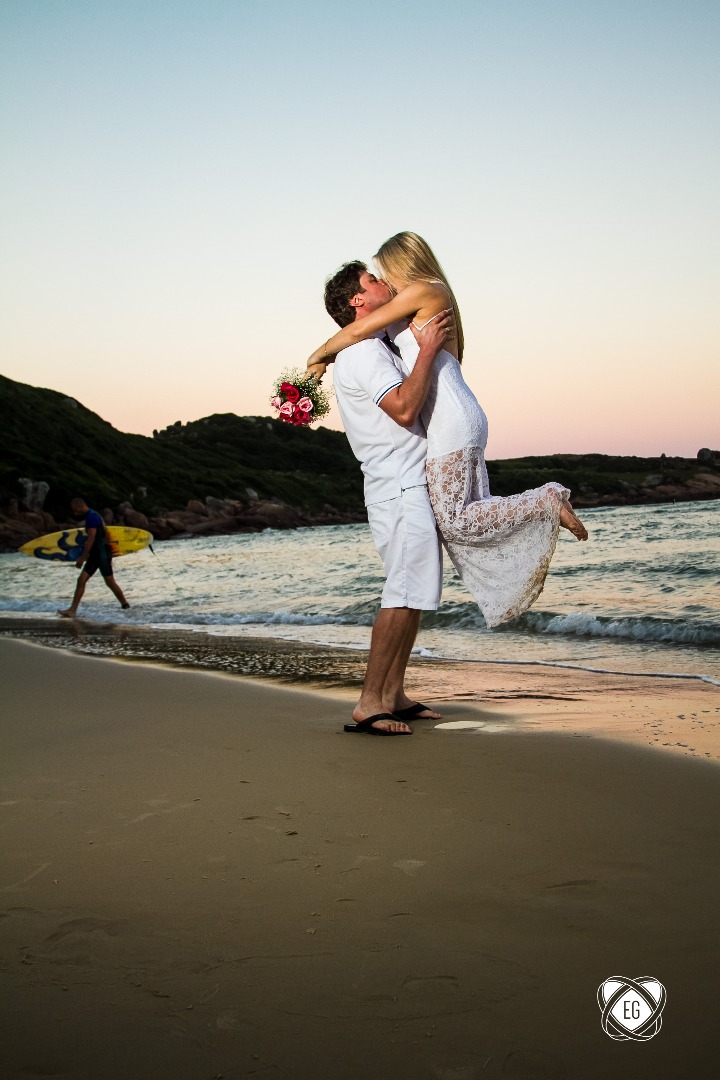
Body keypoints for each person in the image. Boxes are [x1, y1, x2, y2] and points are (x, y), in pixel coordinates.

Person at [308, 232, 588, 629]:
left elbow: (356, 331)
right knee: (466, 512)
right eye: (374, 277)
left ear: (401, 262)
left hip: (450, 421)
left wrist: (317, 356)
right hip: (456, 417)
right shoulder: (423, 298)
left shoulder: (425, 291)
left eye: (383, 271)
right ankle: (542, 505)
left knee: (457, 520)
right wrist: (332, 358)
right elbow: (360, 333)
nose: (383, 279)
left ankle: (545, 501)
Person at [322, 261, 453, 735]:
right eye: (373, 280)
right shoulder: (362, 353)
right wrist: (428, 350)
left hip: (404, 484)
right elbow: (403, 408)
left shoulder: (373, 346)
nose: (385, 283)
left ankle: (392, 694)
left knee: (413, 594)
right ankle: (368, 702)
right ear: (357, 300)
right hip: (398, 486)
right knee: (402, 592)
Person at [58, 498, 130, 618]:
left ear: (79, 506)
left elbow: (92, 537)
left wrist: (82, 558)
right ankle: (72, 610)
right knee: (83, 580)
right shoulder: (94, 515)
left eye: (75, 510)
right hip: (98, 553)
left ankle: (126, 606)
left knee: (110, 582)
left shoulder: (91, 517)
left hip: (101, 554)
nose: (75, 513)